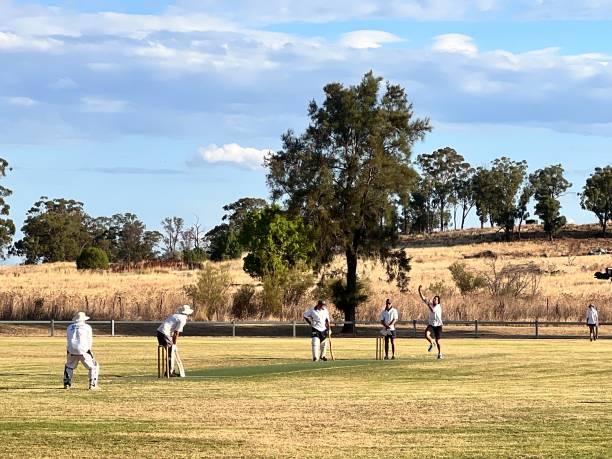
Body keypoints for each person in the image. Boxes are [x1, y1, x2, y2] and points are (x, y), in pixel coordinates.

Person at [63, 311, 100, 390]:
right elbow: (89, 340)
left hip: (71, 349)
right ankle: (93, 385)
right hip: (83, 349)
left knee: (69, 366)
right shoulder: (87, 327)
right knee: (93, 366)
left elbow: (68, 338)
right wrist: (89, 350)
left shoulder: (69, 327)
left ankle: (67, 383)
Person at [157, 304, 194, 376]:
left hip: (159, 332)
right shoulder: (182, 319)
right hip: (165, 333)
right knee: (171, 352)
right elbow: (176, 333)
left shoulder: (174, 315)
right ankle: (169, 372)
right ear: (187, 314)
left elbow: (172, 330)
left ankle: (170, 370)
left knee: (170, 352)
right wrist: (174, 344)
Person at [418, 285, 443, 359]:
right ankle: (432, 343)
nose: (434, 300)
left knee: (438, 341)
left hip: (438, 325)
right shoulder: (431, 303)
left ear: (438, 301)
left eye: (436, 299)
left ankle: (440, 353)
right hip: (431, 325)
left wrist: (428, 305)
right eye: (434, 299)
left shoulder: (438, 307)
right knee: (426, 335)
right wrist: (419, 291)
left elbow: (432, 310)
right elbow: (423, 298)